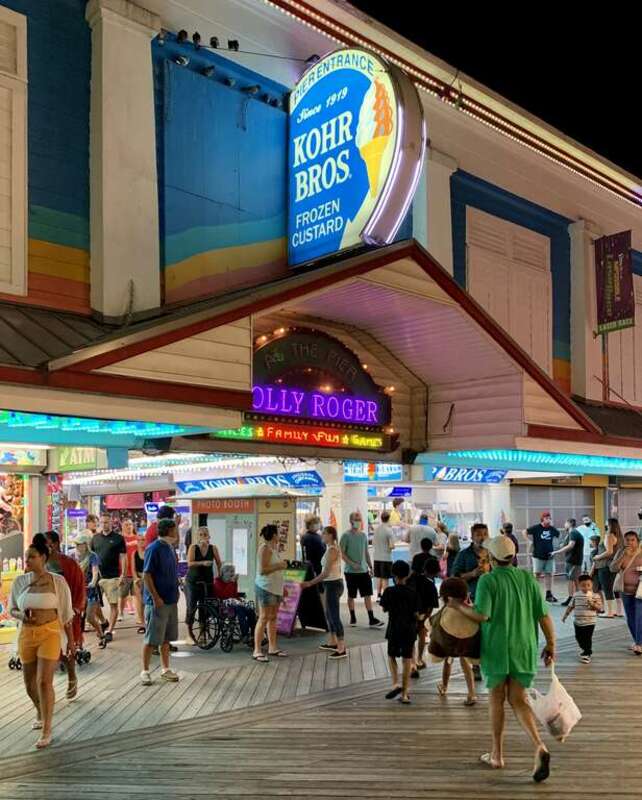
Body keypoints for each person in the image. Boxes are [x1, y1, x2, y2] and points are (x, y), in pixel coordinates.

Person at [446, 535, 556, 782]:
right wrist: (551, 644)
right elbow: (544, 615)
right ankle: (539, 745)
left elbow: (482, 615)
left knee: (496, 698)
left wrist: (457, 606)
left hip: (496, 648)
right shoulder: (528, 578)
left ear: (493, 559)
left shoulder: (488, 580)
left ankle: (497, 754)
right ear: (513, 556)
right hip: (524, 646)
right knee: (518, 700)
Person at [9, 537, 74, 749]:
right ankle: (40, 709)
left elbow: (65, 613)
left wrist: (72, 642)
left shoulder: (58, 582)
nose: (27, 560)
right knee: (29, 685)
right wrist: (22, 617)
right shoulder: (20, 581)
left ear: (43, 558)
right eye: (26, 557)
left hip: (51, 632)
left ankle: (47, 728)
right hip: (27, 634)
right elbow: (12, 609)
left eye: (32, 557)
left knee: (44, 682)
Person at [43, 531, 85, 700]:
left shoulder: (68, 563)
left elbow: (79, 586)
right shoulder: (39, 562)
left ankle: (72, 676)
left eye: (47, 543)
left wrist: (75, 608)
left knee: (68, 649)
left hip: (65, 613)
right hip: (45, 615)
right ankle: (45, 687)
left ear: (55, 544)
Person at [140, 518, 180, 685]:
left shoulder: (170, 548)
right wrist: (155, 597)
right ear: (169, 531)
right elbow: (147, 574)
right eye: (175, 529)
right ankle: (145, 670)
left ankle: (165, 669)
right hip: (158, 602)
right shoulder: (153, 548)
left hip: (170, 600)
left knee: (166, 638)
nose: (177, 532)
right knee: (151, 638)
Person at [301, 526, 347, 659]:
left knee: (334, 616)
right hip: (330, 584)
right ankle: (333, 642)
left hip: (333, 584)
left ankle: (341, 648)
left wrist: (310, 583)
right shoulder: (330, 548)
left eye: (324, 534)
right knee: (329, 614)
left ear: (331, 535)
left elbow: (326, 573)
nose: (322, 536)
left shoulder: (332, 550)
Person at [433, 577, 478, 706]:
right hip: (465, 639)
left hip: (450, 640)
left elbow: (434, 622)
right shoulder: (466, 607)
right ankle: (472, 693)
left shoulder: (446, 610)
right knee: (466, 664)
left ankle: (444, 686)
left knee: (448, 660)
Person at [381, 560, 417, 704]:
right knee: (407, 658)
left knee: (391, 655)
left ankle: (395, 683)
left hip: (394, 627)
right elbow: (416, 613)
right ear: (407, 575)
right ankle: (405, 693)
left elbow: (384, 608)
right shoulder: (412, 592)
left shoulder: (389, 591)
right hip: (409, 628)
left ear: (394, 576)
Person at [339, 511, 383, 628]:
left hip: (363, 571)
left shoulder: (363, 535)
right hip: (350, 572)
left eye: (359, 519)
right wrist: (352, 564)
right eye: (356, 519)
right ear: (351, 521)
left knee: (367, 594)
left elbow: (366, 553)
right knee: (351, 595)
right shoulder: (345, 536)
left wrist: (370, 566)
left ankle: (371, 618)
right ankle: (353, 617)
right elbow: (341, 553)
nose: (358, 521)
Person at [253, 524, 288, 662]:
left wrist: (282, 586)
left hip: (275, 588)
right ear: (273, 535)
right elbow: (263, 570)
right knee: (264, 617)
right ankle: (257, 650)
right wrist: (280, 565)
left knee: (273, 617)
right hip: (266, 588)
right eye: (278, 533)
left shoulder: (274, 549)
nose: (280, 535)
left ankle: (272, 647)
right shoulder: (264, 548)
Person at [91, 514, 127, 642]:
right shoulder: (95, 539)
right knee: (93, 606)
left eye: (106, 522)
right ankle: (103, 621)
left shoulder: (118, 539)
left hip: (113, 577)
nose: (104, 525)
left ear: (111, 523)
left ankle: (110, 631)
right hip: (97, 578)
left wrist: (123, 574)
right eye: (102, 522)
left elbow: (123, 557)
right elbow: (91, 558)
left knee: (113, 605)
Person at [185, 526, 221, 644]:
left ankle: (203, 633)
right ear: (197, 537)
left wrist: (221, 577)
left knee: (205, 607)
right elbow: (189, 563)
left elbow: (219, 563)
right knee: (191, 606)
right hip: (193, 581)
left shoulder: (213, 548)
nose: (203, 537)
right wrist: (202, 562)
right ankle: (189, 633)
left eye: (205, 534)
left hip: (207, 581)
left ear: (209, 536)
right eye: (200, 535)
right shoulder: (193, 547)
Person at [611, 530, 642, 653]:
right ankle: (637, 641)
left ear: (637, 541)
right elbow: (612, 568)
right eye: (627, 540)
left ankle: (639, 644)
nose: (630, 542)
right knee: (630, 618)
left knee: (639, 617)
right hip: (625, 591)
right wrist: (623, 556)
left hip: (640, 592)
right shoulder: (621, 552)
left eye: (632, 540)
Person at [408, 554, 440, 673]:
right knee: (422, 636)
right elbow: (431, 606)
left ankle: (412, 663)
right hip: (422, 614)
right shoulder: (431, 586)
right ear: (435, 572)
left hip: (410, 614)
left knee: (411, 639)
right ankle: (419, 659)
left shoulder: (412, 579)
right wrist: (424, 618)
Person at [561, 572, 601, 663]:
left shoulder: (595, 596)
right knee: (578, 637)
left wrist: (592, 604)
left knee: (587, 637)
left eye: (588, 585)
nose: (586, 587)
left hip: (590, 621)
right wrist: (565, 616)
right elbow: (571, 606)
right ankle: (585, 649)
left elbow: (599, 608)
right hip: (578, 621)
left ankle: (587, 653)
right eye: (583, 585)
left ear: (592, 585)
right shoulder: (576, 595)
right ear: (579, 585)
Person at [213, 563, 257, 642]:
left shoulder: (232, 581)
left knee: (250, 610)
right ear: (224, 572)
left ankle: (254, 634)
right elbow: (224, 595)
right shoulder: (217, 581)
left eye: (233, 571)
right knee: (240, 610)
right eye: (231, 572)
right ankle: (245, 634)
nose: (233, 574)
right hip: (223, 607)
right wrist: (232, 582)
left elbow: (234, 595)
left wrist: (241, 601)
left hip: (233, 604)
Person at [74, 532, 105, 644]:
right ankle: (79, 642)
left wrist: (93, 581)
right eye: (76, 544)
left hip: (91, 591)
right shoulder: (74, 557)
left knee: (90, 617)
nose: (77, 546)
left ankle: (101, 634)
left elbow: (95, 571)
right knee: (77, 618)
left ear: (86, 544)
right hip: (79, 591)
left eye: (80, 544)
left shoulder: (92, 556)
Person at [524, 512, 560, 603]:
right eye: (547, 518)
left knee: (549, 574)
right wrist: (528, 541)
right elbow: (524, 531)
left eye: (549, 518)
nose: (549, 519)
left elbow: (558, 536)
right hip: (538, 556)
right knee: (537, 574)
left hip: (549, 556)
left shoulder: (552, 529)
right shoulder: (536, 528)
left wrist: (556, 549)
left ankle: (549, 594)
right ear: (542, 519)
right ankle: (534, 593)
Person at [593, 517, 625, 618]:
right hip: (614, 565)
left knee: (607, 588)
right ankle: (619, 611)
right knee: (614, 589)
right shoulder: (620, 537)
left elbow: (609, 551)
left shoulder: (609, 535)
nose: (605, 525)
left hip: (605, 565)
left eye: (606, 523)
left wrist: (598, 556)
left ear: (610, 525)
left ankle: (610, 612)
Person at [452, 523, 490, 602]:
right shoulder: (463, 555)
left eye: (485, 534)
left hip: (492, 597)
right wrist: (472, 574)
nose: (483, 538)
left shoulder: (493, 554)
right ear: (472, 537)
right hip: (472, 599)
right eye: (478, 535)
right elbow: (454, 578)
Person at [552, 518, 585, 606]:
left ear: (569, 523)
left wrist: (557, 552)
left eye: (565, 523)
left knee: (571, 580)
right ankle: (578, 598)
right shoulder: (571, 534)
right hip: (573, 560)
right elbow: (565, 544)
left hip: (574, 561)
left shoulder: (573, 532)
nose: (564, 525)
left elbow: (571, 545)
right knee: (575, 580)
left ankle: (571, 598)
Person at [372, 510, 395, 601]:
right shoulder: (389, 530)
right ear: (388, 519)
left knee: (379, 577)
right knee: (385, 578)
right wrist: (390, 547)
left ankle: (378, 596)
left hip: (376, 557)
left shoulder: (376, 529)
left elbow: (373, 543)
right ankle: (386, 597)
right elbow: (392, 545)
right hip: (386, 558)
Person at [119, 518, 137, 620]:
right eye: (126, 525)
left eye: (130, 524)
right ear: (122, 526)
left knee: (137, 595)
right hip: (124, 572)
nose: (129, 526)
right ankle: (120, 613)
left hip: (136, 572)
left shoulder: (137, 538)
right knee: (122, 595)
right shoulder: (119, 539)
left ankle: (139, 615)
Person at [300, 514, 326, 579]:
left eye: (318, 523)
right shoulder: (308, 537)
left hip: (317, 569)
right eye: (315, 523)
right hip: (314, 570)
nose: (318, 524)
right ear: (309, 525)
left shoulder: (316, 536)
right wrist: (312, 571)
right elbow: (308, 555)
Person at [131, 532, 146, 633]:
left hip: (148, 577)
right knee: (140, 602)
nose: (141, 542)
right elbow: (133, 568)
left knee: (147, 601)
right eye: (139, 540)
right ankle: (142, 622)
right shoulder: (134, 553)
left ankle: (148, 620)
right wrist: (136, 579)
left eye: (143, 540)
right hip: (138, 578)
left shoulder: (149, 552)